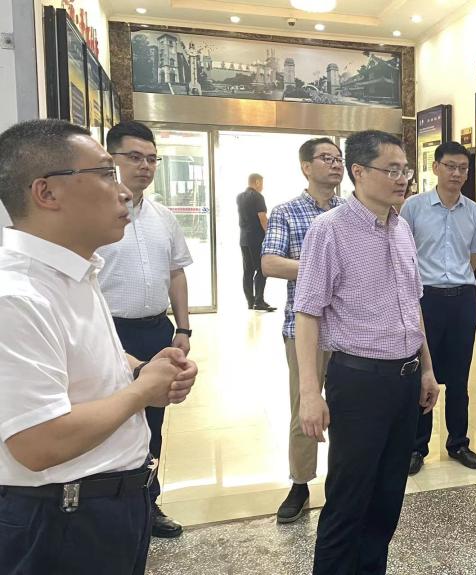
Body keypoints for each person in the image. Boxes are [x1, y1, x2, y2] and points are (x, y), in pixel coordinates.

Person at [0, 119, 197, 574]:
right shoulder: (17, 295)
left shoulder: (74, 270)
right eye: (107, 174)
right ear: (47, 192)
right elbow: (38, 442)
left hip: (107, 505)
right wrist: (142, 391)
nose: (123, 191)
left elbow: (81, 361)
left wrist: (140, 368)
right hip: (61, 519)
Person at [294, 130, 440, 574]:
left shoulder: (402, 228)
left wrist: (427, 369)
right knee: (348, 501)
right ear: (358, 172)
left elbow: (412, 304)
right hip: (359, 382)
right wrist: (309, 393)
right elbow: (307, 313)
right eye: (391, 169)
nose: (402, 178)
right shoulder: (329, 230)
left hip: (404, 380)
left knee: (387, 498)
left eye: (405, 170)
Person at [96, 120, 193, 539]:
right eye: (134, 157)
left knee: (153, 423)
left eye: (152, 159)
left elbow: (176, 273)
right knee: (109, 420)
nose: (145, 166)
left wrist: (184, 328)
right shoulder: (93, 217)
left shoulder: (163, 217)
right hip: (108, 334)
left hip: (155, 332)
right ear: (110, 159)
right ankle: (106, 507)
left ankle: (147, 504)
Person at [261, 137, 345, 524]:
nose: (336, 164)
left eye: (339, 158)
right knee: (304, 407)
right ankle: (300, 483)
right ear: (306, 167)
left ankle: (343, 480)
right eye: (326, 158)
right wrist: (322, 268)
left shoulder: (351, 211)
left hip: (348, 330)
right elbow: (270, 263)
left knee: (349, 409)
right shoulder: (286, 212)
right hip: (303, 328)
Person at [401, 141, 476, 475]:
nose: (456, 173)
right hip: (425, 299)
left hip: (463, 299)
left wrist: (457, 282)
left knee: (460, 376)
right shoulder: (413, 208)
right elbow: (403, 254)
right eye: (450, 166)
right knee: (424, 373)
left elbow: (474, 257)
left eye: (463, 168)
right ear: (435, 167)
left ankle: (458, 442)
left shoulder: (473, 211)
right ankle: (416, 446)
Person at [237, 173, 275, 312]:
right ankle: (259, 301)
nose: (262, 186)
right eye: (262, 183)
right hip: (256, 238)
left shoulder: (240, 197)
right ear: (257, 182)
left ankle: (250, 301)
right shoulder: (258, 197)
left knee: (247, 271)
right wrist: (270, 234)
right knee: (261, 269)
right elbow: (262, 218)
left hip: (244, 239)